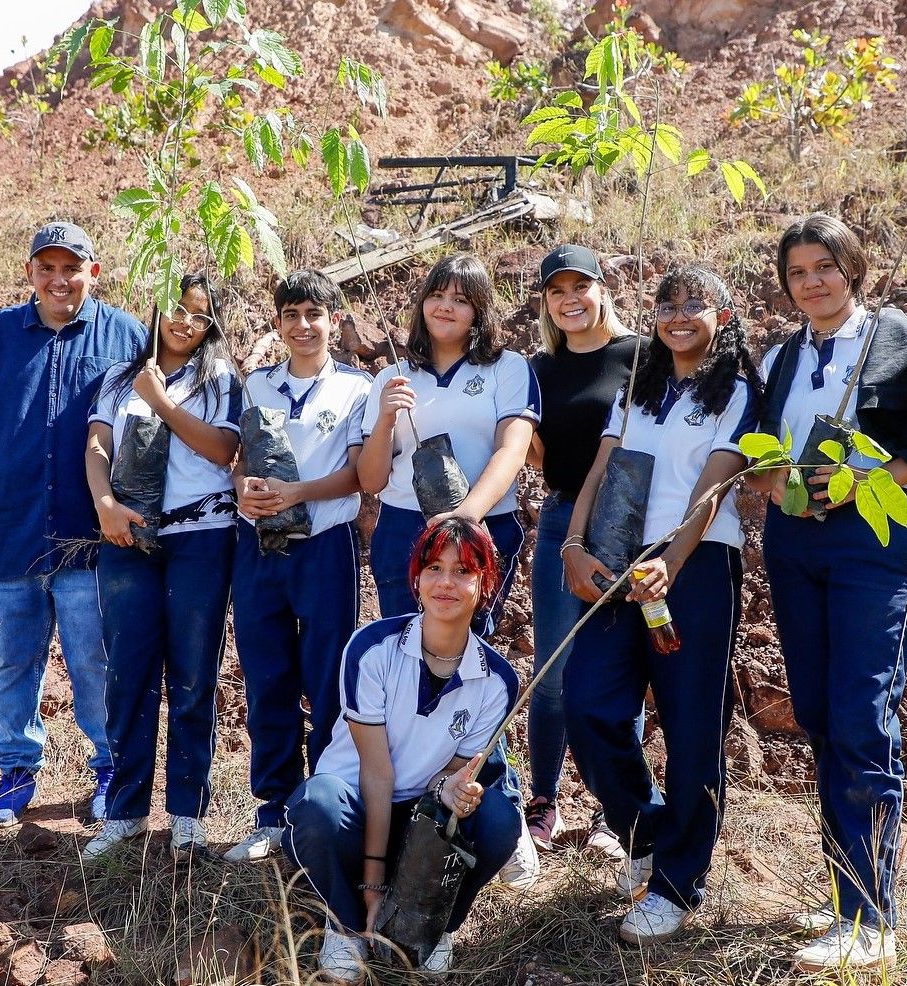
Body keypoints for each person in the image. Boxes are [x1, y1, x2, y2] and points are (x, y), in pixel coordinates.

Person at [748, 213, 907, 970]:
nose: (812, 282)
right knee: (819, 713)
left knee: (862, 714)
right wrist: (776, 484)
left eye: (824, 266)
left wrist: (880, 475)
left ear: (851, 267)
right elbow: (757, 449)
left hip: (873, 541)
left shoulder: (896, 340)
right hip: (796, 543)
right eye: (797, 272)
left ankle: (870, 920)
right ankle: (844, 897)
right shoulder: (784, 356)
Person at [562, 264, 761, 943]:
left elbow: (712, 486)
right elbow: (599, 471)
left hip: (695, 567)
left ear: (724, 316)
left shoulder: (736, 391)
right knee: (587, 704)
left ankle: (677, 884)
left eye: (694, 304)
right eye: (666, 304)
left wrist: (669, 565)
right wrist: (571, 545)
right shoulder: (637, 387)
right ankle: (645, 832)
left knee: (690, 727)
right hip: (615, 563)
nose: (678, 316)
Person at [0, 222, 146, 828]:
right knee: (15, 662)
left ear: (94, 273)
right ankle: (17, 771)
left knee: (93, 663)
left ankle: (109, 770)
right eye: (46, 268)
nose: (59, 279)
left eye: (71, 268)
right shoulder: (2, 334)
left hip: (92, 542)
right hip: (10, 535)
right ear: (30, 273)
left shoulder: (124, 334)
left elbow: (153, 423)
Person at [281, 517, 521, 983]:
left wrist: (450, 790)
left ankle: (432, 923)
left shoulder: (497, 681)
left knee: (499, 824)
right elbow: (376, 774)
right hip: (354, 807)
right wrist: (372, 883)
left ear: (485, 583)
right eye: (434, 567)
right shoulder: (372, 649)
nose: (446, 582)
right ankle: (346, 924)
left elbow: (446, 776)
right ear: (415, 578)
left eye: (464, 571)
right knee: (314, 808)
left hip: (419, 817)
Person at [81, 273, 241, 859]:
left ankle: (186, 816)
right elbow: (98, 446)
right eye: (176, 308)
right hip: (128, 535)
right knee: (128, 672)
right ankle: (125, 813)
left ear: (211, 325)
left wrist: (164, 404)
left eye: (199, 315)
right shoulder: (120, 377)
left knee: (194, 675)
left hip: (200, 536)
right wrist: (104, 506)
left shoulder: (219, 379)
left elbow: (224, 450)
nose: (184, 322)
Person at [224, 270, 372, 863]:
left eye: (315, 314)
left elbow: (360, 474)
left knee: (326, 677)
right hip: (259, 547)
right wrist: (244, 490)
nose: (303, 325)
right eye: (291, 315)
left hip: (324, 546)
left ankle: (324, 805)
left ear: (334, 322)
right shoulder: (255, 385)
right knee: (267, 679)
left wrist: (297, 493)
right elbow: (234, 460)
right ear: (278, 323)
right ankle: (273, 811)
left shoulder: (356, 389)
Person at [357, 252, 540, 636]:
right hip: (404, 527)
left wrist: (465, 517)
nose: (445, 307)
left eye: (461, 299)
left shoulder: (507, 368)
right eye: (437, 295)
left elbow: (512, 449)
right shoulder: (393, 377)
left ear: (479, 311)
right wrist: (386, 418)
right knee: (402, 646)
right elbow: (371, 481)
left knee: (469, 648)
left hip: (484, 524)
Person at [524, 244, 635, 859]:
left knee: (616, 663)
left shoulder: (635, 355)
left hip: (621, 523)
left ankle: (611, 810)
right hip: (562, 514)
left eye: (580, 286)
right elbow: (529, 442)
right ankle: (542, 799)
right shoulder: (541, 368)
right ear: (546, 300)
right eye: (556, 290)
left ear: (600, 290)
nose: (569, 299)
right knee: (554, 668)